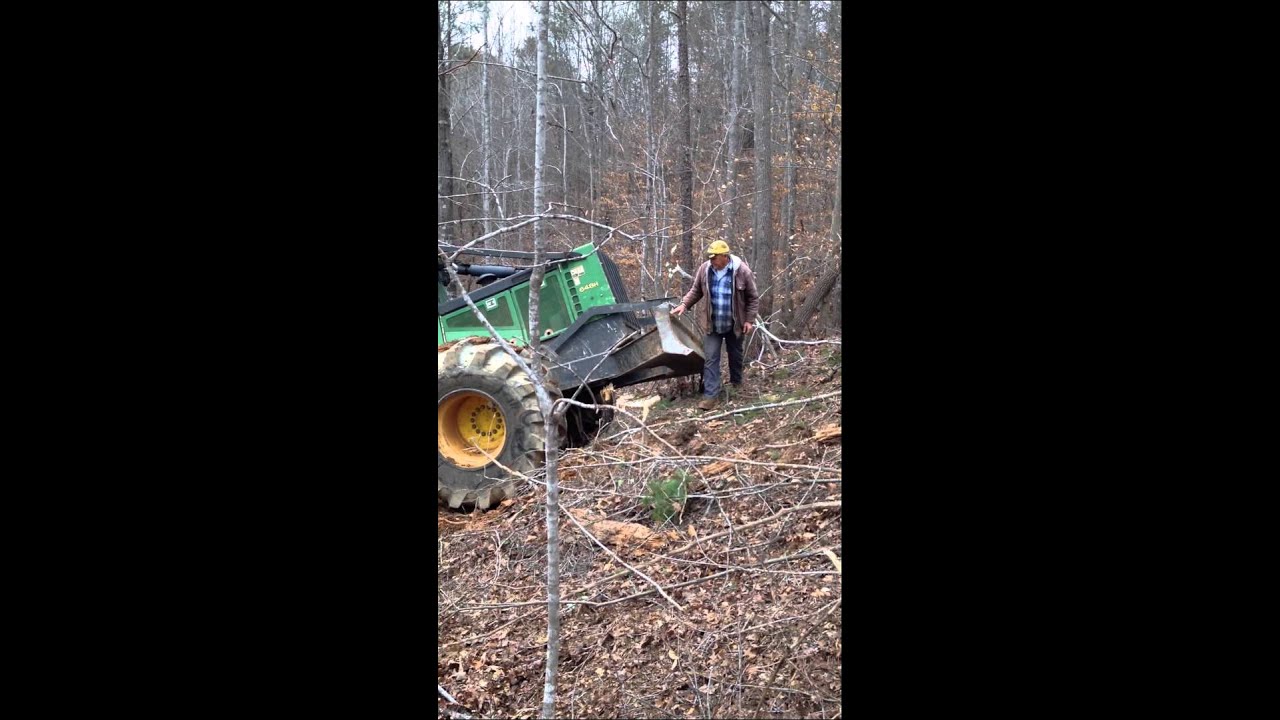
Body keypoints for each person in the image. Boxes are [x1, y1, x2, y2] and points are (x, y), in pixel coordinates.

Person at [671, 240, 760, 410]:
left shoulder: (742, 271)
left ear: (725, 257)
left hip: (735, 324)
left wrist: (749, 320)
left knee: (735, 355)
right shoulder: (705, 270)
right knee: (711, 358)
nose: (711, 261)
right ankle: (711, 396)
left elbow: (753, 298)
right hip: (712, 324)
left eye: (715, 258)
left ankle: (736, 384)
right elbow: (696, 290)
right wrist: (684, 304)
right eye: (710, 257)